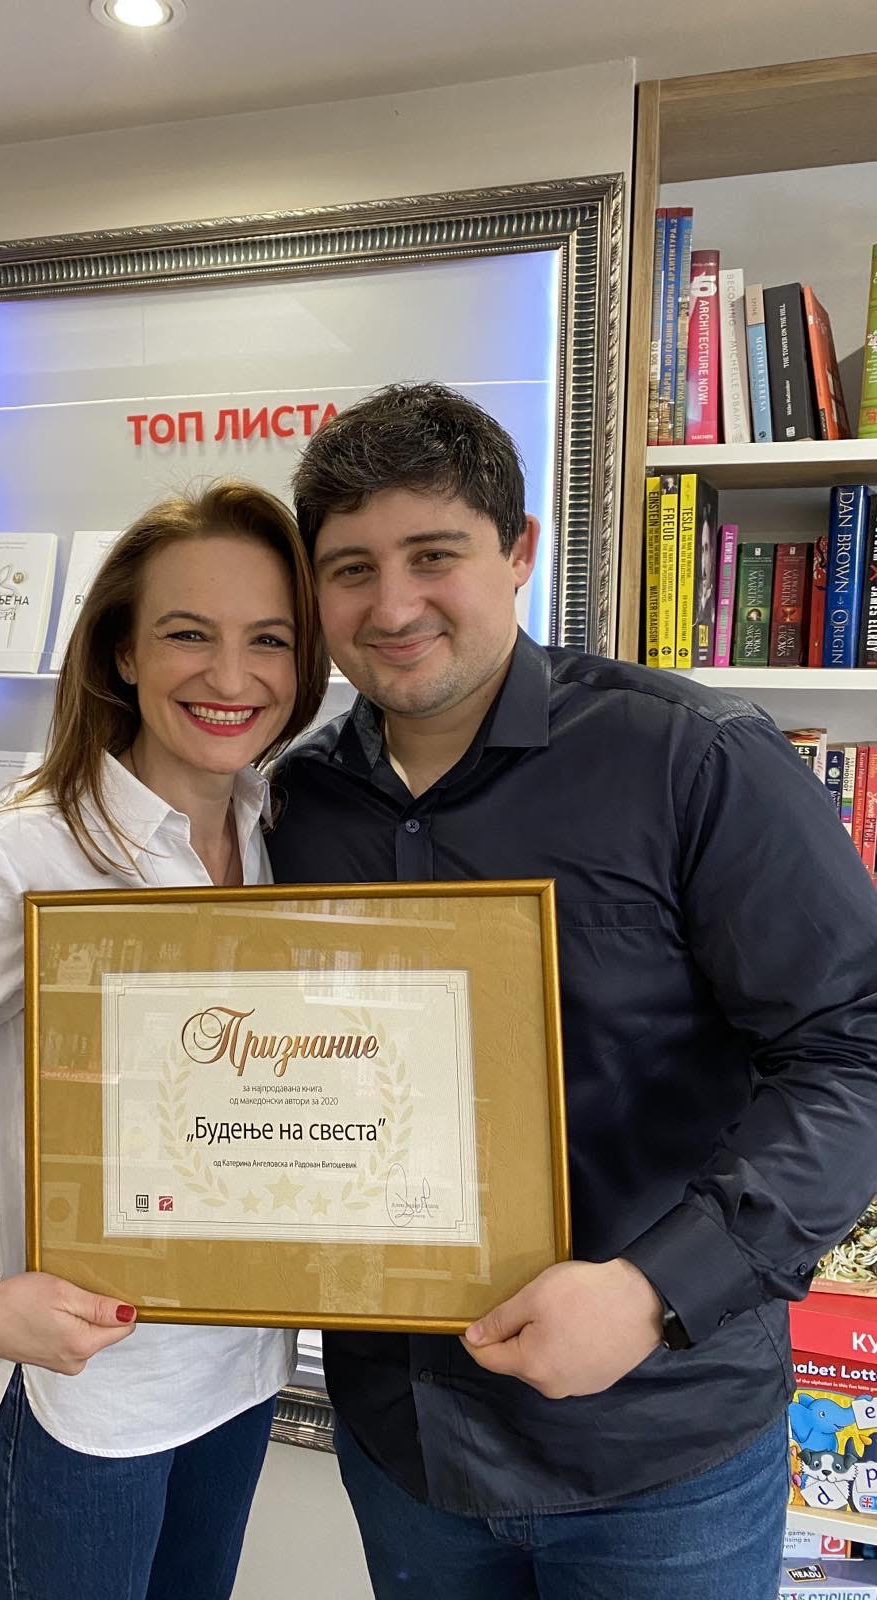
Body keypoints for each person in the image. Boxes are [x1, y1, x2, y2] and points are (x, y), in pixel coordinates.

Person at [266, 381, 877, 1600]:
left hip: (660, 1450)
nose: (392, 605)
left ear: (520, 551)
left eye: (433, 554)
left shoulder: (690, 759)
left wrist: (658, 1292)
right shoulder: (295, 803)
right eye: (350, 568)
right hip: (405, 1442)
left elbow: (855, 1050)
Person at [0, 481, 328, 1600]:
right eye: (188, 634)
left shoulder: (289, 832)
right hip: (76, 1404)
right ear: (122, 654)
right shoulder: (16, 863)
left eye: (269, 641)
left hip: (240, 1375)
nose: (233, 678)